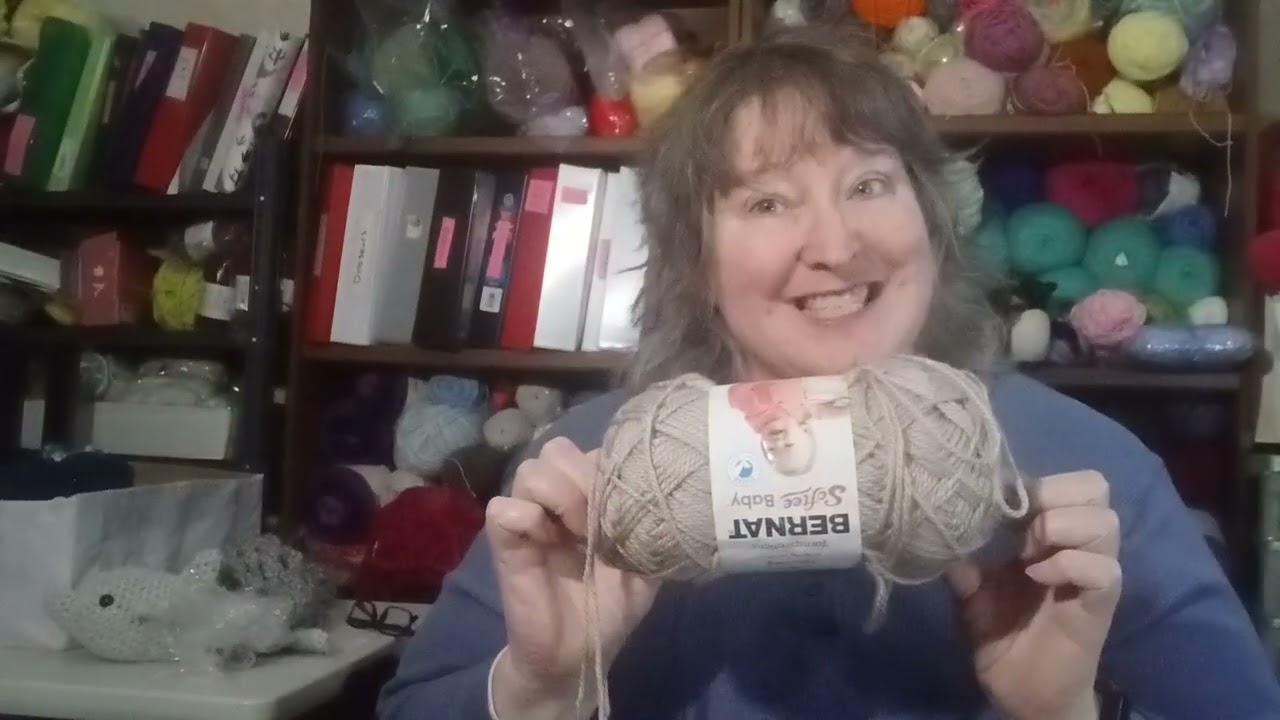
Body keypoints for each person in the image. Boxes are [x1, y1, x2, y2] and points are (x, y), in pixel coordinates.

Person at [377, 24, 1280, 720]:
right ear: (696, 258)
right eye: (768, 201)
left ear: (931, 217)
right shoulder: (593, 471)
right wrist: (536, 691)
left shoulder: (1086, 471)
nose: (838, 246)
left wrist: (1070, 711)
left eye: (870, 185)